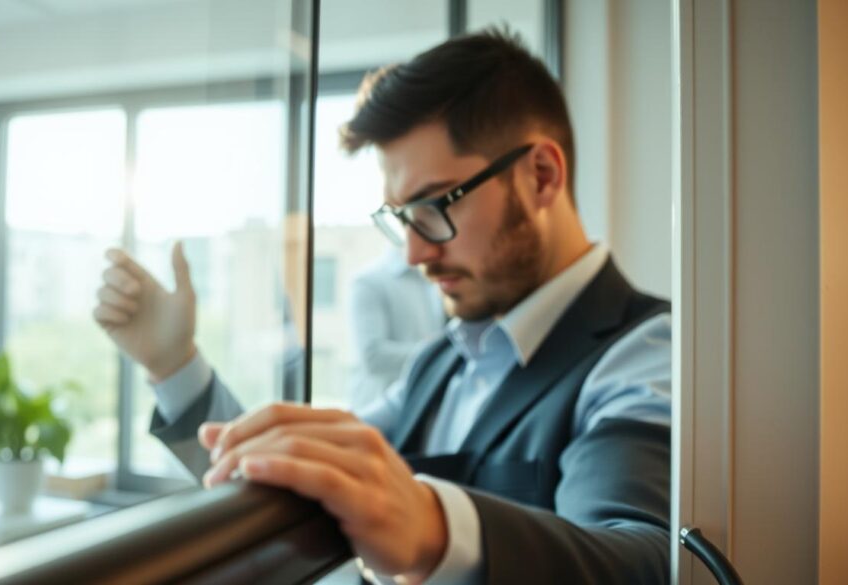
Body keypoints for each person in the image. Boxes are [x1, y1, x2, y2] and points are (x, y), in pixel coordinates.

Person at [94, 29, 671, 584]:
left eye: (435, 204)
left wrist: (434, 527)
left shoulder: (646, 353)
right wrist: (175, 366)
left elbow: (648, 563)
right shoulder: (440, 364)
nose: (416, 252)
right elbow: (302, 480)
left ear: (541, 176)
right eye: (401, 218)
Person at [346, 246, 446, 407]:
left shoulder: (433, 283)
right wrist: (435, 351)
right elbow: (373, 356)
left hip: (419, 404)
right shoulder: (369, 281)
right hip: (375, 407)